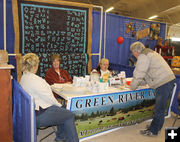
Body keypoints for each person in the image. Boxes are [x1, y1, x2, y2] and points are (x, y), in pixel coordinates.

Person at [19, 53, 79, 142]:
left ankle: (61, 137)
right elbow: (50, 98)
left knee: (62, 111)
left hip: (30, 112)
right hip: (38, 115)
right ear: (35, 66)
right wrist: (59, 105)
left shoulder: (23, 78)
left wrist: (58, 106)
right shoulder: (37, 80)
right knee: (69, 114)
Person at [130, 41, 175, 136]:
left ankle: (153, 131)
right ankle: (155, 127)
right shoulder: (150, 53)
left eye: (133, 53)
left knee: (159, 109)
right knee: (160, 108)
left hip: (163, 83)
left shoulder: (143, 56)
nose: (133, 55)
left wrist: (132, 87)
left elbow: (139, 73)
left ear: (135, 52)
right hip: (167, 81)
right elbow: (146, 76)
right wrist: (137, 84)